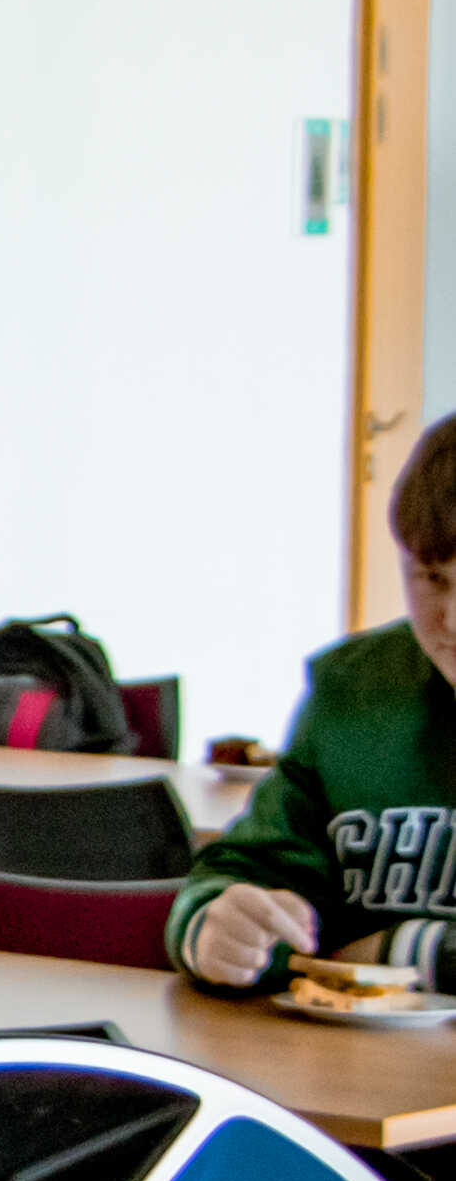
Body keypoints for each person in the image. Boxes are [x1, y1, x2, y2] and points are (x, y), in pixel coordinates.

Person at [176, 418, 456, 990]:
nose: (450, 620)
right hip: (341, 1043)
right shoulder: (350, 688)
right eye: (431, 579)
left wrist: (408, 951)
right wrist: (219, 927)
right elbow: (250, 873)